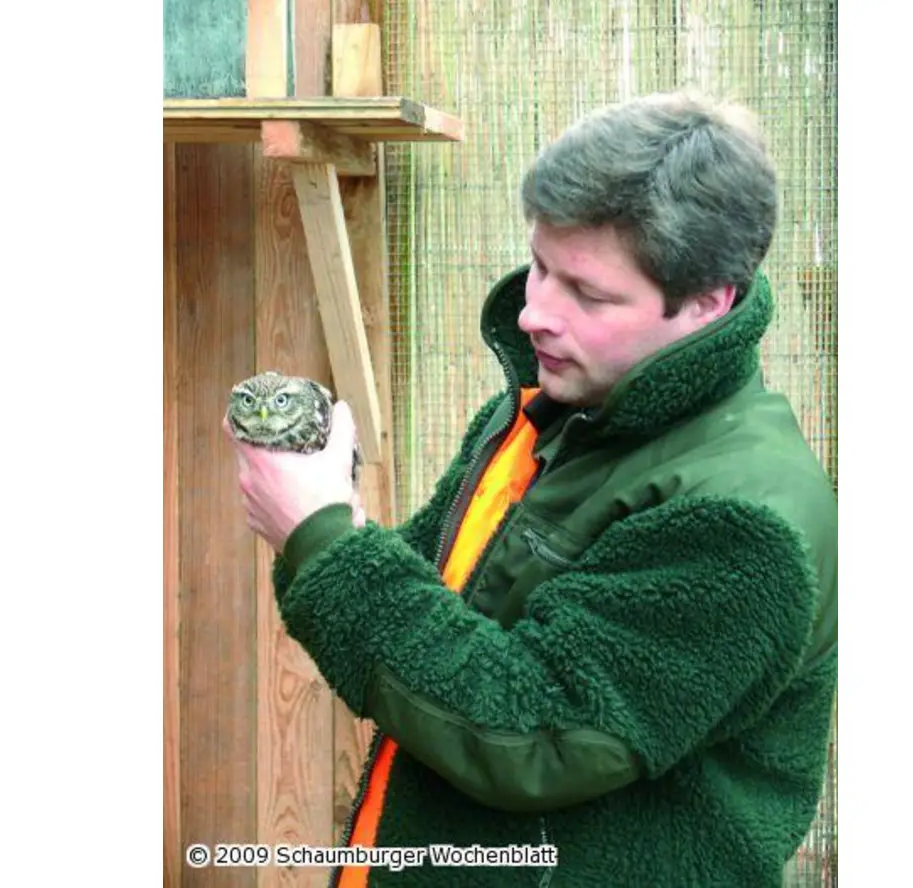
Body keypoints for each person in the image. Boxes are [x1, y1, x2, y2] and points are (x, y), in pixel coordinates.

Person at [229, 90, 837, 887]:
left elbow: (527, 732)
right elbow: (429, 615)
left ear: (706, 302)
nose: (533, 315)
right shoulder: (552, 414)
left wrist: (322, 537)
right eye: (539, 266)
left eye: (586, 293)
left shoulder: (743, 527)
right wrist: (329, 516)